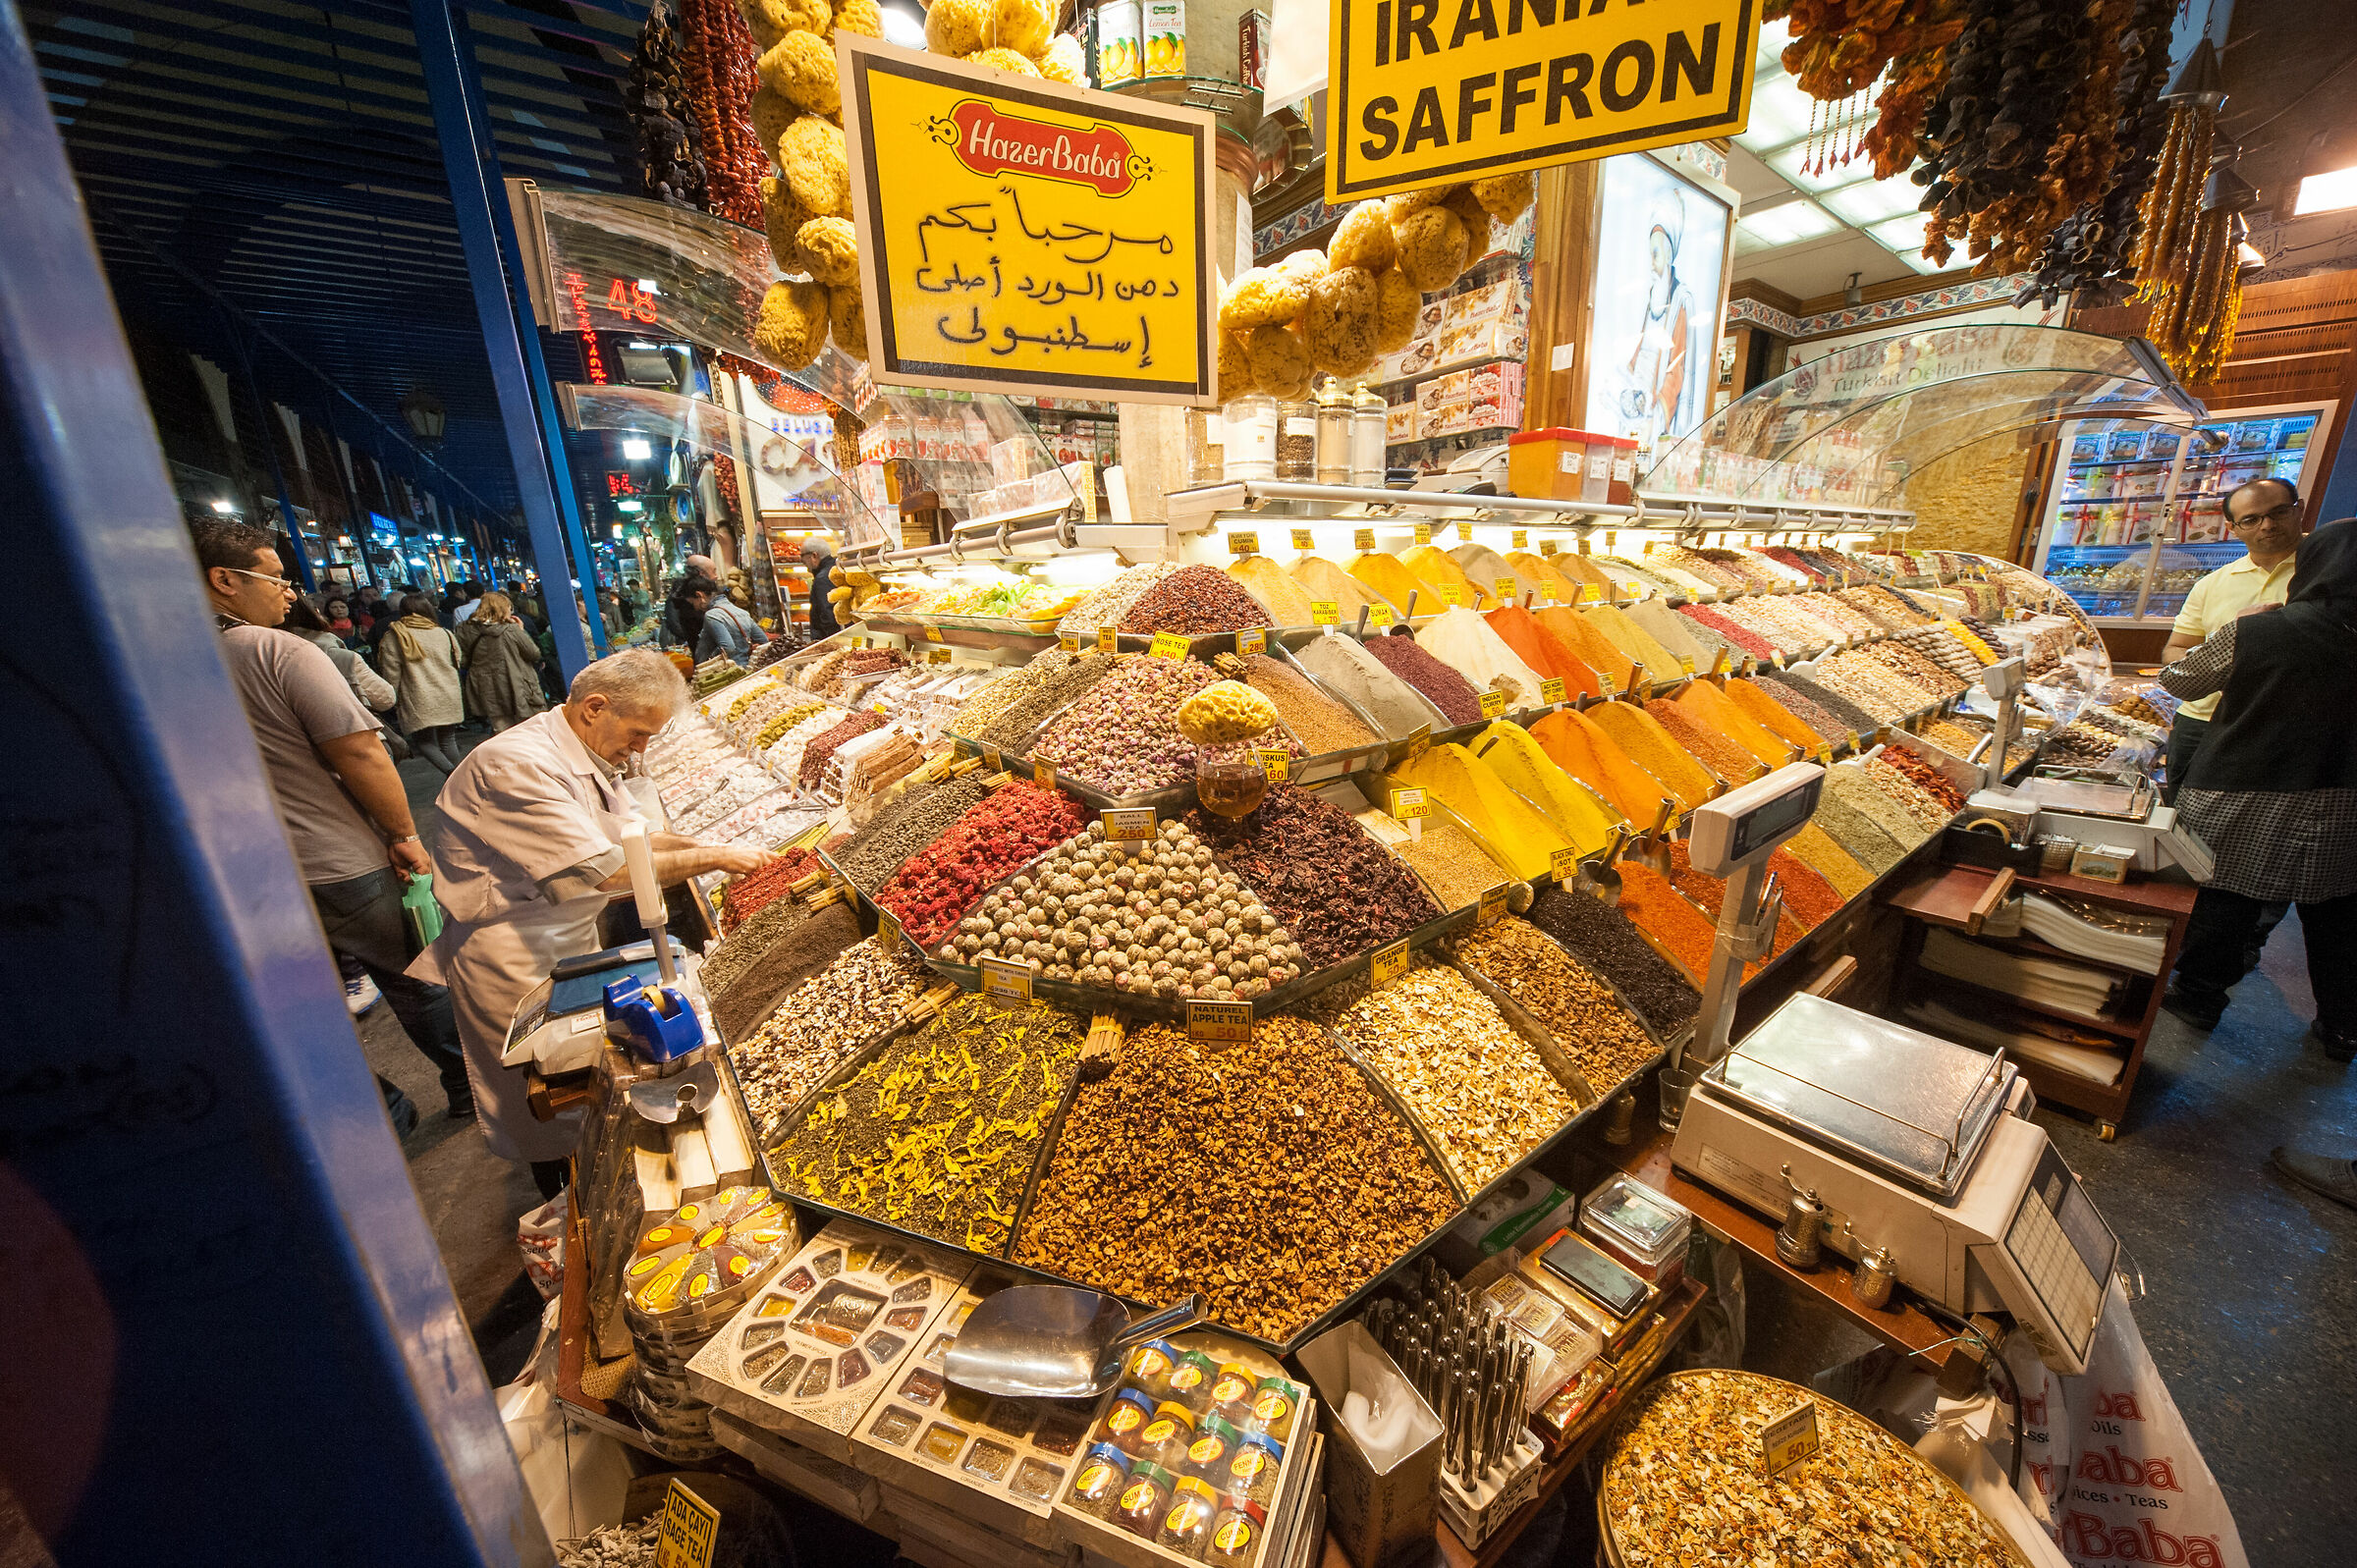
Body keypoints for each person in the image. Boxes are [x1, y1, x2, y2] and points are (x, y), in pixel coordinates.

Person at [412, 649, 772, 1194]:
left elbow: (632, 834)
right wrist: (718, 858)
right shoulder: (516, 766)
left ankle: (594, 1181)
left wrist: (706, 843)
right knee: (545, 1097)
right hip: (512, 952)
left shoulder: (580, 750)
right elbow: (606, 874)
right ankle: (563, 1202)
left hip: (567, 936)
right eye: (637, 732)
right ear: (594, 707)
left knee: (585, 1081)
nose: (642, 747)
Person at [189, 519, 474, 1128]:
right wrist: (403, 834)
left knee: (304, 1009)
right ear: (223, 580)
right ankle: (468, 1086)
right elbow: (360, 751)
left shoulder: (163, 666)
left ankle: (382, 1109)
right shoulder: (279, 650)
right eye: (276, 577)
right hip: (337, 859)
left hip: (241, 877)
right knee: (417, 978)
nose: (290, 592)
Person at [2157, 518, 2357, 1074]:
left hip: (2248, 786)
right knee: (2339, 916)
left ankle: (2198, 998)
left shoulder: (2264, 630)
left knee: (2226, 897)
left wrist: (2233, 631)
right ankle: (2342, 1026)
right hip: (2344, 796)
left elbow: (2180, 680)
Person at [2161, 477, 2304, 799]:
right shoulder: (2211, 584)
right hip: (2199, 720)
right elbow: (2175, 650)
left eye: (2279, 512)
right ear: (2232, 527)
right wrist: (2219, 651)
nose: (2266, 525)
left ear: (2300, 510)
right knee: (2180, 819)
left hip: (2280, 727)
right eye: (2251, 519)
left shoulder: (2327, 572)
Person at [377, 592, 466, 774]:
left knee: (424, 741)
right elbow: (457, 660)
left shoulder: (395, 635)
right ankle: (462, 776)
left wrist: (391, 697)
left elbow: (391, 672)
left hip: (417, 695)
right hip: (448, 692)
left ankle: (453, 774)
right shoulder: (444, 633)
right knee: (448, 739)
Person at [457, 591, 547, 733]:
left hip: (486, 686)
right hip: (516, 682)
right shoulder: (511, 630)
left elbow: (462, 659)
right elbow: (533, 653)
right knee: (529, 728)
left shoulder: (463, 630)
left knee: (501, 728)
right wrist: (521, 631)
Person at [696, 578, 769, 663]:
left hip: (731, 670)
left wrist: (712, 657)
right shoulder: (742, 612)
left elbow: (728, 648)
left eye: (693, 602)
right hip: (749, 666)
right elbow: (763, 639)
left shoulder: (711, 615)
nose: (695, 606)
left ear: (700, 595)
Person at [800, 536, 841, 640]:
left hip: (830, 638)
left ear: (814, 555)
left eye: (804, 561)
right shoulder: (837, 569)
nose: (807, 568)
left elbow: (827, 614)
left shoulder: (822, 579)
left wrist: (828, 643)